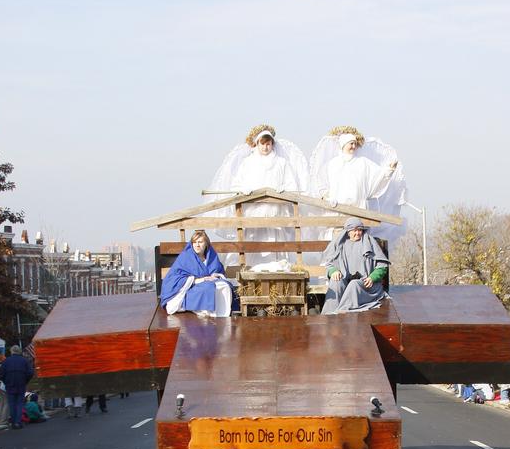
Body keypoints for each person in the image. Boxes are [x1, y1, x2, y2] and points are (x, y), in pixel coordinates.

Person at [210, 124, 308, 264]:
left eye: (268, 143)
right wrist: (244, 191)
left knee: (276, 243)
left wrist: (283, 190)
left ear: (272, 145)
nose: (265, 147)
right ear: (257, 144)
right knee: (253, 242)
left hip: (275, 213)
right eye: (262, 143)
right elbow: (237, 185)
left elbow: (291, 185)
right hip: (253, 214)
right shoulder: (248, 163)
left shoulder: (281, 163)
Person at [309, 126, 406, 247]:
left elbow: (378, 176)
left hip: (358, 209)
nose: (353, 146)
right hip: (338, 210)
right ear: (343, 144)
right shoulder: (333, 164)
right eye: (351, 143)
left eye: (355, 144)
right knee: (339, 240)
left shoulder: (363, 163)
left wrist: (389, 169)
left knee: (358, 241)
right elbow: (324, 183)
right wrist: (327, 196)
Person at [321, 218, 389, 315]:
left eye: (360, 230)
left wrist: (372, 277)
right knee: (336, 283)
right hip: (345, 280)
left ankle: (341, 313)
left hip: (365, 284)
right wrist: (333, 271)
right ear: (348, 232)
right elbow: (330, 264)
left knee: (354, 285)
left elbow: (382, 266)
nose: (357, 233)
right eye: (354, 230)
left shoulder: (369, 242)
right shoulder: (340, 244)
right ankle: (328, 315)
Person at [160, 230, 233, 317]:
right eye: (194, 242)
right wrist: (198, 280)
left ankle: (222, 314)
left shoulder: (212, 256)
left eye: (200, 242)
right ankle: (205, 309)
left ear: (206, 243)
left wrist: (215, 275)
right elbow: (174, 277)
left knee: (224, 286)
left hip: (209, 282)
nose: (197, 245)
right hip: (190, 286)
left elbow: (218, 270)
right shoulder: (185, 257)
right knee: (208, 287)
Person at [0, 345, 33, 430]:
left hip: (10, 384)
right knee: (19, 403)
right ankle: (18, 422)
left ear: (11, 352)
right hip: (21, 384)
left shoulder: (6, 361)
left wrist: (6, 381)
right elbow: (30, 373)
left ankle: (14, 421)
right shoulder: (24, 361)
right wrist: (25, 381)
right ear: (19, 351)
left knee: (12, 403)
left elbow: (1, 374)